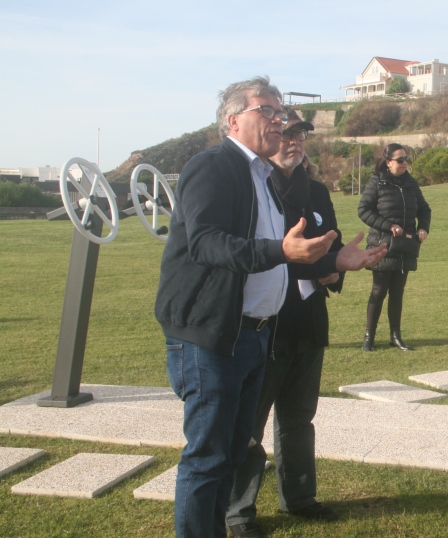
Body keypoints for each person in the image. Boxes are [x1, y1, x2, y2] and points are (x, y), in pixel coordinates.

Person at [155, 77, 383, 538]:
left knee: (232, 452)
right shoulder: (213, 166)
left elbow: (282, 254)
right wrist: (282, 252)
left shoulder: (260, 175)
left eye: (281, 112)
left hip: (257, 335)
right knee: (208, 457)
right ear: (232, 119)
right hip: (213, 337)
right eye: (267, 110)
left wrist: (335, 260)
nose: (279, 120)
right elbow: (207, 244)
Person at [225, 111, 374, 537]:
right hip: (264, 323)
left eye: (301, 135)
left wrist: (338, 268)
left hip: (308, 321)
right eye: (286, 134)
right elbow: (259, 254)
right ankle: (238, 512)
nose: (294, 142)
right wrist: (316, 265)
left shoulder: (316, 191)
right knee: (249, 423)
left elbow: (331, 245)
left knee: (299, 417)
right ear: (268, 136)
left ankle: (300, 498)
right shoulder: (256, 187)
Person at [358, 143, 431, 351]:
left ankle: (395, 336)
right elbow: (363, 210)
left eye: (406, 159)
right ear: (388, 162)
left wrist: (423, 228)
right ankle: (368, 338)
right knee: (379, 291)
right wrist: (389, 226)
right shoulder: (377, 183)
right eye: (400, 160)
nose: (404, 163)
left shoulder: (411, 184)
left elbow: (425, 210)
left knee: (397, 292)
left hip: (405, 246)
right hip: (382, 246)